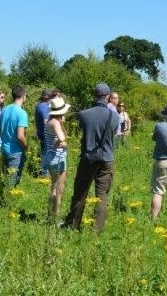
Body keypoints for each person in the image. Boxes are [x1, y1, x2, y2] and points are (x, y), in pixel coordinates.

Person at [63, 83, 119, 233]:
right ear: (108, 97)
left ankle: (73, 224)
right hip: (107, 158)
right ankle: (97, 229)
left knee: (80, 192)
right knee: (102, 194)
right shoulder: (115, 116)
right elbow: (113, 134)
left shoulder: (84, 114)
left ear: (94, 95)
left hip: (88, 157)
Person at [45, 97, 71, 222]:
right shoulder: (56, 122)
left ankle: (50, 214)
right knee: (59, 188)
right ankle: (56, 218)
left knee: (53, 186)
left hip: (49, 157)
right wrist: (64, 144)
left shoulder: (49, 121)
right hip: (58, 157)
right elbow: (61, 138)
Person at [0, 85, 28, 187]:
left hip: (4, 149)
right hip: (15, 151)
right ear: (23, 95)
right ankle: (6, 202)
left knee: (5, 180)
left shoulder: (4, 110)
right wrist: (25, 147)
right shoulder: (22, 113)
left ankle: (1, 201)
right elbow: (20, 136)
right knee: (12, 183)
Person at [35, 89, 55, 177]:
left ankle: (44, 174)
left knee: (45, 154)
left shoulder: (41, 105)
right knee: (46, 155)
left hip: (42, 135)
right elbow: (46, 121)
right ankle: (44, 175)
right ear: (49, 98)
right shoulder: (44, 106)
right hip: (45, 136)